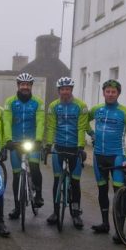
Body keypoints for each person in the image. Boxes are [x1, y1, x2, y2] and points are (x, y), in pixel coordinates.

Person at [88, 79, 126, 240]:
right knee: (102, 191)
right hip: (98, 156)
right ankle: (105, 224)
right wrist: (91, 134)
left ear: (118, 94)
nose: (110, 94)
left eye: (113, 92)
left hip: (117, 157)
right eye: (107, 91)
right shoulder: (96, 110)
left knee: (118, 193)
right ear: (103, 93)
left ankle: (119, 230)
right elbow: (82, 121)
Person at [44, 77, 88, 230]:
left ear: (71, 90)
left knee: (75, 182)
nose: (65, 92)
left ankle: (76, 213)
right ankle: (56, 213)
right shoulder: (53, 106)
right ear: (58, 91)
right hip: (59, 146)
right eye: (62, 89)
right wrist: (48, 145)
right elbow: (51, 127)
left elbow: (82, 128)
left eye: (68, 89)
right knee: (57, 181)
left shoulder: (81, 106)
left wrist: (81, 147)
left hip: (75, 147)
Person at [3, 72, 45, 220]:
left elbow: (40, 121)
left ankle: (38, 195)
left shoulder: (37, 102)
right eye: (22, 84)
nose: (25, 87)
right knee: (16, 175)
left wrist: (39, 140)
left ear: (31, 86)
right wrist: (8, 140)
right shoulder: (10, 102)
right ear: (18, 86)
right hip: (15, 142)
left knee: (34, 166)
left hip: (32, 141)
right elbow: (7, 121)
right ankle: (17, 207)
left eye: (27, 84)